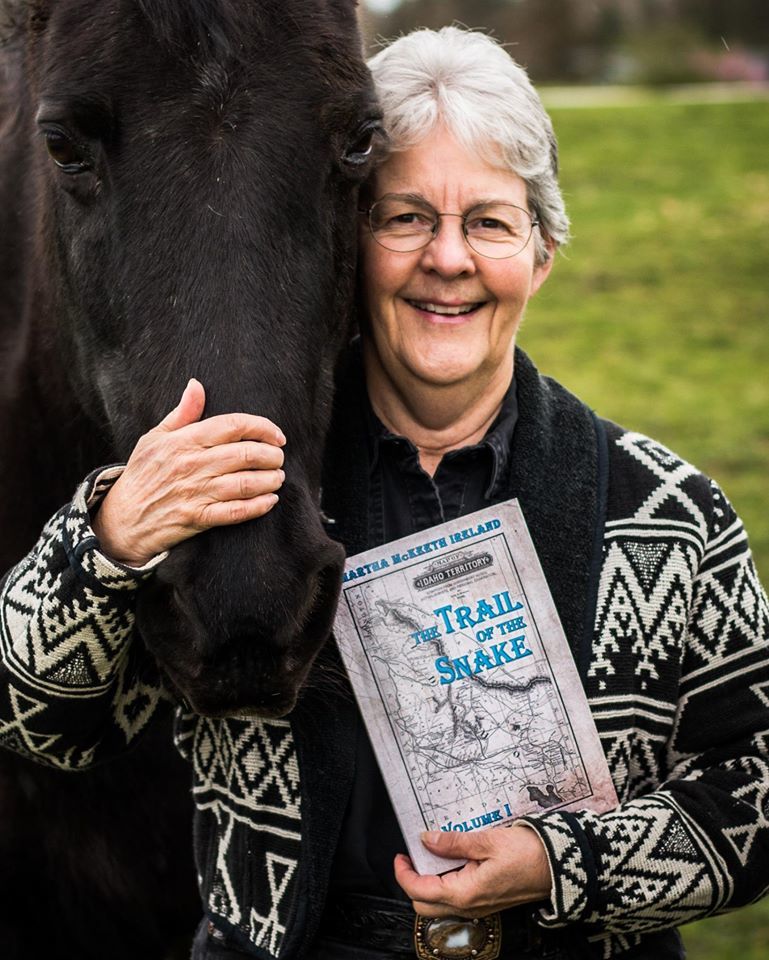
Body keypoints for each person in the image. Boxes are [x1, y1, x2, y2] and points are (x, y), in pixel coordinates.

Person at [1, 25, 768, 960]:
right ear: (350, 239)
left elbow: (755, 795)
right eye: (406, 218)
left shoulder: (665, 517)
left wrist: (566, 866)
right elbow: (40, 724)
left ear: (542, 252)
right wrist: (104, 542)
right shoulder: (246, 525)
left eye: (488, 222)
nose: (447, 258)